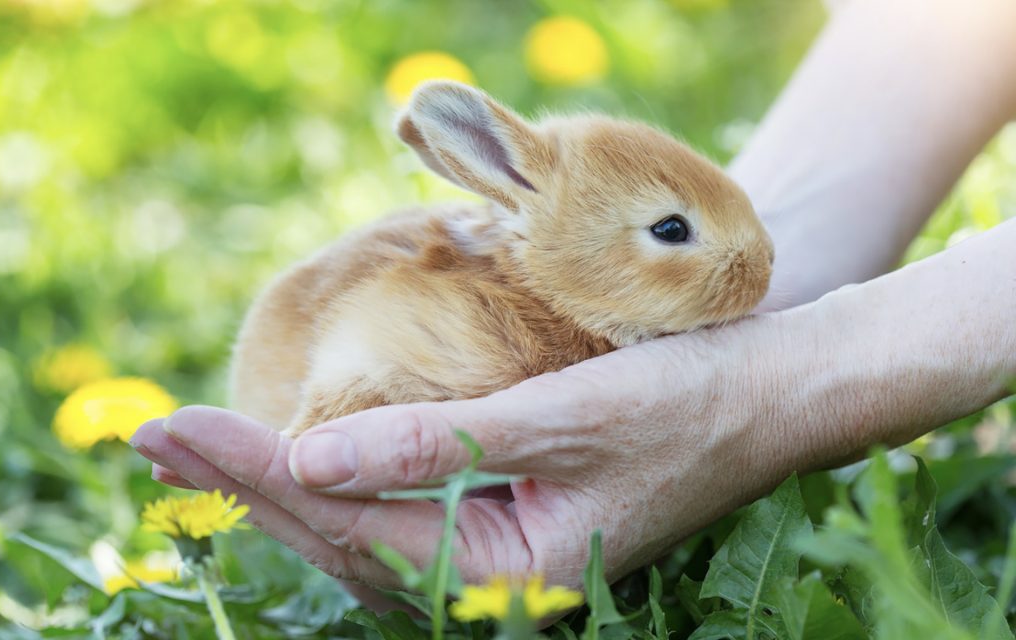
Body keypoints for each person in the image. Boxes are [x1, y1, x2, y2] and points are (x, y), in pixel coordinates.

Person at [131, 0, 1016, 594]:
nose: (759, 263)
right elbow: (360, 353)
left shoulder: (590, 314)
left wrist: (797, 386)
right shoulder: (483, 321)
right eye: (674, 233)